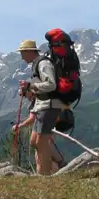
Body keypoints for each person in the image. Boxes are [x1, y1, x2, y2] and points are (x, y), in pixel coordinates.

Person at [16, 39, 63, 175]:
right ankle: (53, 167)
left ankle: (44, 176)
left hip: (49, 106)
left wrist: (30, 86)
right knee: (34, 142)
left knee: (41, 143)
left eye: (23, 53)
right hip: (42, 107)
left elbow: (51, 84)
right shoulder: (37, 64)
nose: (21, 57)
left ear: (30, 51)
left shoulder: (43, 63)